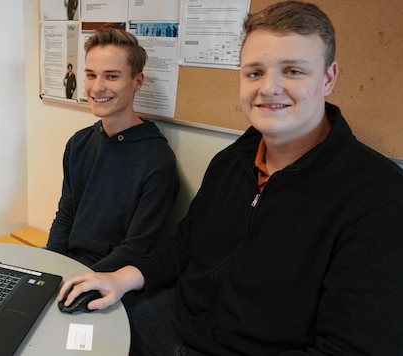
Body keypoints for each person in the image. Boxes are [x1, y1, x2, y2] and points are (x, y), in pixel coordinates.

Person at [58, 2, 403, 355]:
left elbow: (352, 347)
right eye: (254, 72)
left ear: (329, 78)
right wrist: (120, 278)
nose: (269, 88)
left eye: (293, 71)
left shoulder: (379, 198)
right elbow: (184, 246)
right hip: (171, 321)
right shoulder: (230, 164)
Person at [46, 28, 180, 273]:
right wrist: (52, 269)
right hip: (67, 268)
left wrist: (83, 281)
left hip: (111, 279)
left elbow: (136, 247)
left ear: (137, 81)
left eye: (111, 76)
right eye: (91, 75)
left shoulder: (158, 161)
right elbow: (65, 215)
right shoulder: (79, 143)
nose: (97, 88)